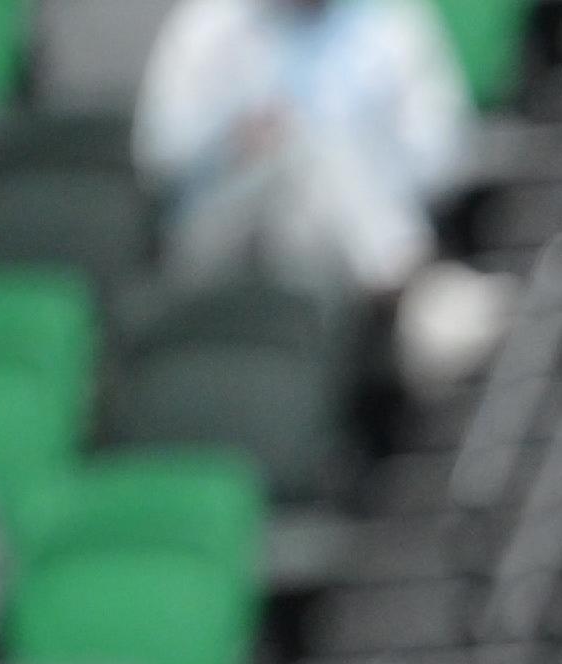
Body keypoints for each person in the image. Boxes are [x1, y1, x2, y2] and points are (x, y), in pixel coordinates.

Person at [133, 0, 503, 389]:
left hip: (328, 231)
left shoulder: (390, 16)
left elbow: (443, 156)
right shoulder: (209, 19)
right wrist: (234, 140)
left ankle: (405, 303)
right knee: (306, 150)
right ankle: (416, 296)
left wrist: (369, 156)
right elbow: (158, 154)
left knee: (323, 155)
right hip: (221, 233)